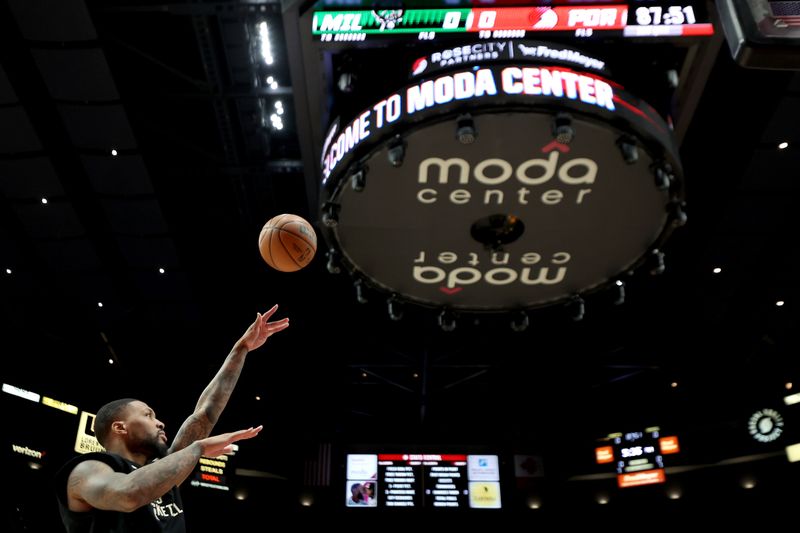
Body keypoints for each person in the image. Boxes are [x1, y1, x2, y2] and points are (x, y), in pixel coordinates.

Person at [55, 305, 289, 533]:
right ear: (119, 427)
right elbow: (128, 494)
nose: (160, 423)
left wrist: (241, 349)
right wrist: (197, 448)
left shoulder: (161, 472)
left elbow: (205, 414)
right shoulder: (86, 470)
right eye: (148, 415)